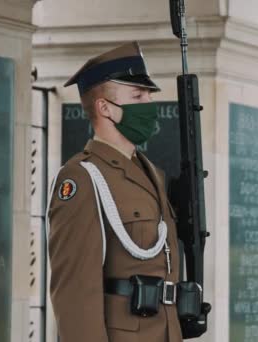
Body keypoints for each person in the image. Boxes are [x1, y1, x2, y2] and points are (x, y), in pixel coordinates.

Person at [46, 41, 182, 342]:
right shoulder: (82, 179)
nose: (149, 102)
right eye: (137, 95)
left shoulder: (152, 174)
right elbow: (75, 295)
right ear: (104, 107)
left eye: (148, 93)